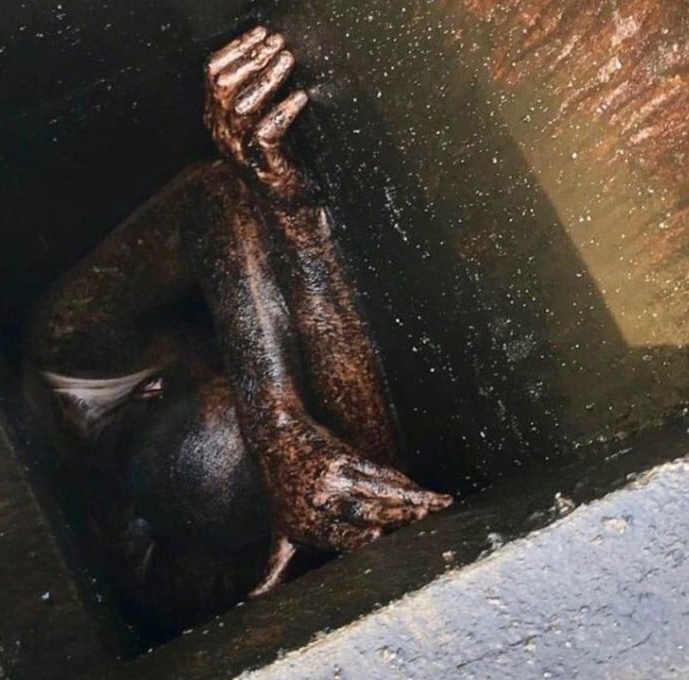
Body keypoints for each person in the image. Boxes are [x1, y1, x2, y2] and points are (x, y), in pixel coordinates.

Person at [24, 26, 451, 624]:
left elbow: (211, 199)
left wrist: (276, 417)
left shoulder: (69, 353)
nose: (257, 348)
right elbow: (367, 476)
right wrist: (298, 224)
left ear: (158, 384)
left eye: (233, 371)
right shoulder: (202, 583)